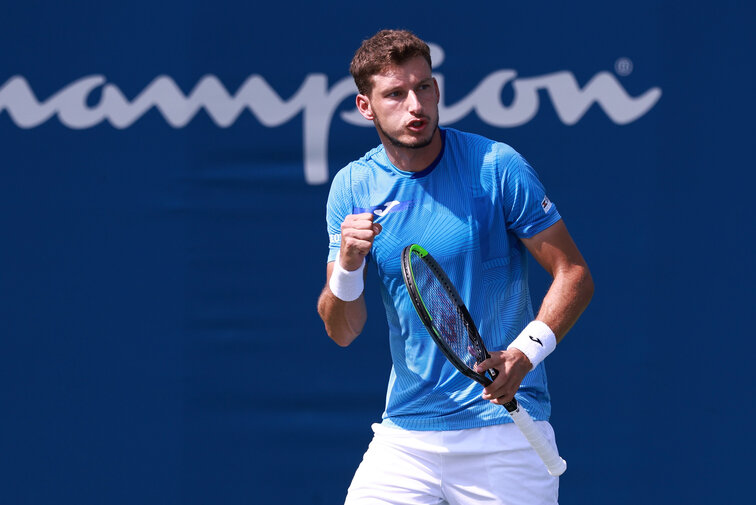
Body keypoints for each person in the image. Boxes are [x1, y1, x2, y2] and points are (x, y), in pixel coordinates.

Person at [317, 29, 594, 505]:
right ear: (366, 106)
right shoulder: (352, 187)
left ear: (437, 89)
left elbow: (574, 274)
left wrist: (524, 354)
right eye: (396, 94)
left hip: (503, 432)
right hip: (406, 438)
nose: (415, 106)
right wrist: (346, 264)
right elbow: (343, 330)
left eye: (424, 87)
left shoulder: (496, 167)